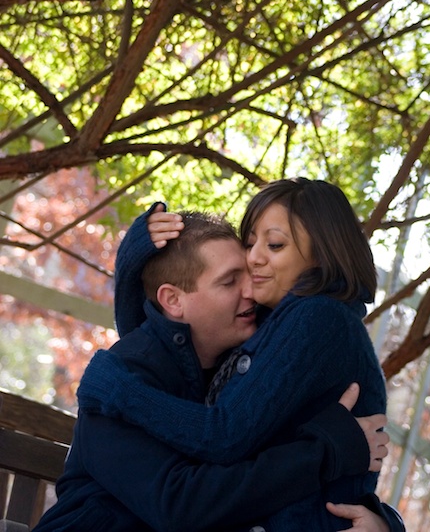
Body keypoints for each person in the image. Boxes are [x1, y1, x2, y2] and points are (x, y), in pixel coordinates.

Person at [35, 210, 394, 532]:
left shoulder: (238, 373)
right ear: (173, 300)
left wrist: (384, 522)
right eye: (229, 281)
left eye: (249, 274)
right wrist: (325, 453)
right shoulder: (117, 381)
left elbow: (269, 483)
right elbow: (180, 505)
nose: (251, 291)